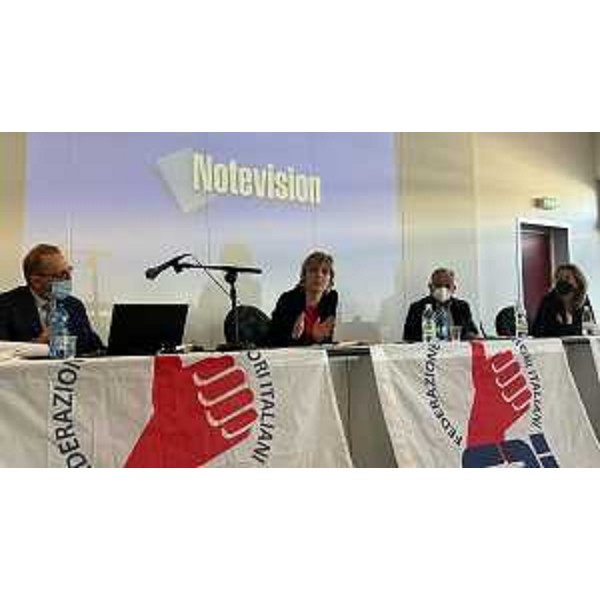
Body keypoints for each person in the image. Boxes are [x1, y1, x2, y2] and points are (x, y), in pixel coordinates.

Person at [0, 244, 104, 355]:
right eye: (62, 274)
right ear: (36, 281)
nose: (69, 278)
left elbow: (94, 347)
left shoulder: (74, 305)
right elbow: (3, 353)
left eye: (69, 271)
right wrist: (40, 343)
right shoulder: (6, 305)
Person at [269, 251, 338, 347]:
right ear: (304, 276)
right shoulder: (288, 300)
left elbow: (331, 338)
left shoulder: (332, 299)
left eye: (325, 272)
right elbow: (272, 339)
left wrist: (320, 339)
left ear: (330, 279)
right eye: (313, 270)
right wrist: (294, 336)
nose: (319, 275)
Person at [403, 267, 479, 342]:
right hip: (427, 349)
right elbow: (408, 337)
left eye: (447, 286)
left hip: (456, 349)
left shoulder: (462, 306)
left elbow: (472, 332)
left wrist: (471, 336)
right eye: (438, 286)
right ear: (430, 287)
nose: (443, 289)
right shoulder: (417, 308)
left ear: (454, 288)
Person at [532, 264, 594, 338]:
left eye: (567, 278)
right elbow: (538, 331)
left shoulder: (584, 301)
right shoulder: (548, 301)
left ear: (577, 282)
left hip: (578, 344)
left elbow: (590, 328)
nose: (562, 281)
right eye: (559, 278)